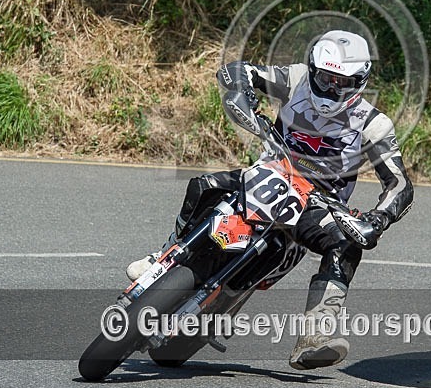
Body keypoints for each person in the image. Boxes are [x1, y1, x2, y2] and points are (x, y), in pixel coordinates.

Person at [127, 30, 414, 369]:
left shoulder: (373, 125)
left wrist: (376, 220)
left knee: (346, 245)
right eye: (325, 77)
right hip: (269, 173)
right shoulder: (295, 79)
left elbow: (399, 185)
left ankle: (316, 334)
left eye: (341, 82)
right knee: (204, 185)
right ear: (313, 69)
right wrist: (241, 87)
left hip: (318, 203)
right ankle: (165, 254)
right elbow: (240, 70)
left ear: (360, 81)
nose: (330, 88)